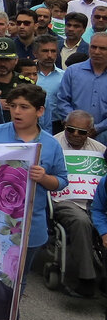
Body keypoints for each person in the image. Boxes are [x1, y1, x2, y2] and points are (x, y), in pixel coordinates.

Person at [0, 83, 68, 320]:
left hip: (31, 225)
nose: (17, 112)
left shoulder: (50, 145)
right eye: (13, 106)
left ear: (40, 111)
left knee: (18, 278)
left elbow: (61, 182)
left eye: (24, 107)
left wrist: (44, 178)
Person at [51, 110, 105, 297]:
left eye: (81, 132)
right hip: (64, 200)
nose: (75, 134)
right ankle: (87, 280)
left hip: (94, 201)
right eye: (71, 129)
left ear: (90, 131)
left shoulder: (99, 149)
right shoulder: (53, 145)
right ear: (64, 126)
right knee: (80, 220)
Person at [57, 31, 107, 145]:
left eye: (103, 48)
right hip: (72, 136)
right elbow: (62, 101)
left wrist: (98, 128)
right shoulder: (72, 72)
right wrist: (76, 126)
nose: (97, 52)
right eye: (93, 47)